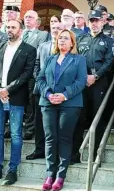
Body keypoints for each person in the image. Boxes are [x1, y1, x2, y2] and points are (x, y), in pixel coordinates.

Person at [0, 19, 36, 186]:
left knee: (16, 134)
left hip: (15, 98)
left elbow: (27, 74)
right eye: (8, 27)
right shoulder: (0, 47)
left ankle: (12, 170)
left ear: (21, 30)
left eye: (13, 27)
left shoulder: (29, 50)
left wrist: (7, 90)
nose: (9, 30)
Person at [36, 29, 87, 191]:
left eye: (66, 38)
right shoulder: (50, 58)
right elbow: (40, 79)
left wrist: (64, 95)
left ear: (72, 43)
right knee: (50, 138)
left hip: (70, 104)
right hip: (48, 102)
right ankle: (50, 173)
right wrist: (48, 94)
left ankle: (60, 175)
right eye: (60, 38)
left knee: (64, 138)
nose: (62, 41)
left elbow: (81, 82)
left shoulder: (79, 60)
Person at [72, 10, 114, 163]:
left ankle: (95, 154)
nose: (94, 23)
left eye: (97, 20)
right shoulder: (80, 39)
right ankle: (75, 154)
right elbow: (75, 59)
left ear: (103, 22)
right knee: (78, 117)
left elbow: (109, 62)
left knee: (98, 117)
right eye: (92, 21)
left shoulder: (109, 41)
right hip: (81, 83)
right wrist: (83, 77)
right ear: (88, 22)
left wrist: (95, 76)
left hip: (99, 83)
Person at [26, 22, 65, 160]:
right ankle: (39, 150)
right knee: (39, 123)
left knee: (57, 124)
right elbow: (36, 65)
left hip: (59, 93)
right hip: (42, 91)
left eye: (58, 28)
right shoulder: (43, 46)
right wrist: (41, 82)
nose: (55, 30)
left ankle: (56, 152)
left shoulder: (66, 48)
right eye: (53, 28)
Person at [22, 10, 49, 140]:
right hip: (16, 75)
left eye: (31, 17)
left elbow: (39, 55)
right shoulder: (19, 33)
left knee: (30, 103)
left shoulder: (43, 35)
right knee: (16, 102)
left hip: (31, 74)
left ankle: (29, 128)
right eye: (26, 17)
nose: (27, 19)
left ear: (37, 22)